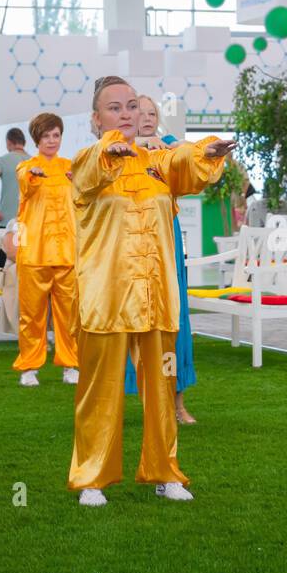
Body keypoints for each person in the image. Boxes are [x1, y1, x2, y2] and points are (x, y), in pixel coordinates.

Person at [68, 76, 234, 507]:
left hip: (156, 295)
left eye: (131, 107)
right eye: (114, 108)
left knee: (162, 386)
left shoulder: (158, 162)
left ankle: (164, 471)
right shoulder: (86, 160)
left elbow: (186, 161)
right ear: (95, 118)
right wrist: (109, 149)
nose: (125, 114)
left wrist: (208, 151)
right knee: (99, 391)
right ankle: (92, 478)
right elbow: (87, 172)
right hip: (107, 298)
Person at [125, 94, 198, 424]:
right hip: (133, 243)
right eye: (141, 113)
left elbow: (188, 153)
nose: (148, 118)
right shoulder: (121, 150)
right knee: (133, 321)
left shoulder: (167, 146)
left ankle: (178, 402)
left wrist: (163, 145)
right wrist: (141, 142)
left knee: (175, 320)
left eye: (153, 113)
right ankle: (140, 400)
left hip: (167, 239)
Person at [12, 112, 79, 387]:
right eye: (46, 136)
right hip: (34, 252)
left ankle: (71, 364)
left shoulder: (71, 167)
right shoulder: (26, 167)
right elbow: (25, 184)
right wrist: (34, 176)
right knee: (31, 314)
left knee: (70, 314)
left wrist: (80, 180)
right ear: (36, 138)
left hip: (67, 251)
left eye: (56, 135)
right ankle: (29, 366)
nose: (51, 140)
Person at [0, 127, 28, 227]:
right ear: (24, 142)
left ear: (8, 142)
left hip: (5, 223)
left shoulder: (3, 160)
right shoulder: (34, 162)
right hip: (28, 224)